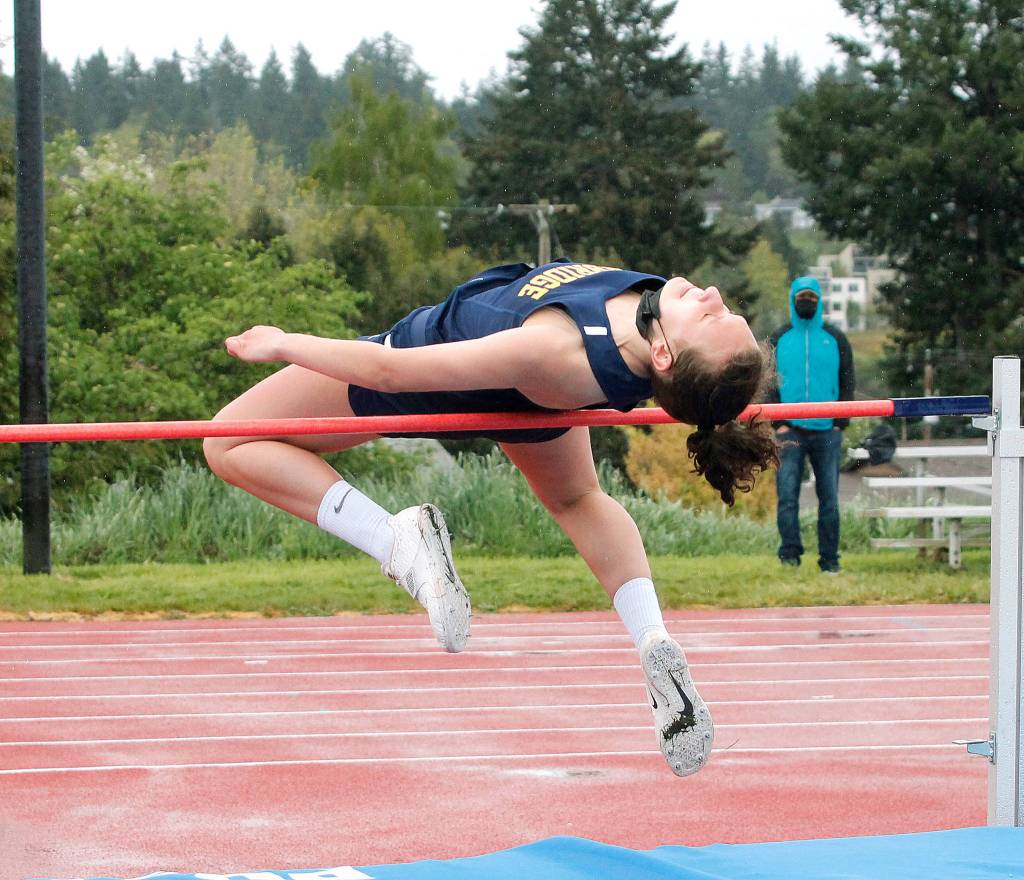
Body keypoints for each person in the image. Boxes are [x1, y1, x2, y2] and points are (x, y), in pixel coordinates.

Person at [204, 258, 778, 777]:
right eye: (725, 308)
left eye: (711, 315)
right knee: (578, 499)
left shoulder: (554, 352)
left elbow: (389, 371)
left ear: (664, 356)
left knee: (228, 442)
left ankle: (396, 541)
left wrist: (285, 343)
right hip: (528, 392)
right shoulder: (648, 320)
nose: (712, 293)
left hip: (429, 367)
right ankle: (653, 639)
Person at [767, 276, 855, 574]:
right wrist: (777, 421)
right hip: (788, 431)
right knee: (787, 497)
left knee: (829, 499)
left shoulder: (835, 338)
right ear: (793, 299)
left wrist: (840, 422)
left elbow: (847, 380)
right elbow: (766, 381)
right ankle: (789, 556)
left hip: (827, 432)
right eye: (802, 296)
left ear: (820, 301)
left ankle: (829, 560)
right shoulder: (779, 338)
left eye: (812, 297)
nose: (807, 302)